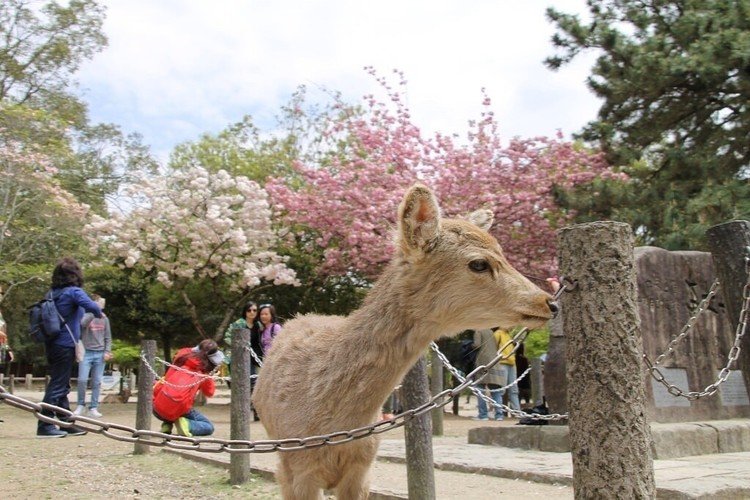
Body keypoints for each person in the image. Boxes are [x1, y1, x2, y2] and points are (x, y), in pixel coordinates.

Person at [37, 257, 102, 438]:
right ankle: (44, 424)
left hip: (51, 343)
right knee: (58, 384)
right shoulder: (74, 292)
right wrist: (97, 308)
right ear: (76, 275)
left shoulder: (51, 293)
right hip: (65, 343)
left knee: (62, 383)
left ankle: (65, 422)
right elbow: (94, 309)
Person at [153, 339, 224, 436]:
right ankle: (187, 425)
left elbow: (166, 380)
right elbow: (209, 392)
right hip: (178, 411)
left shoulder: (180, 359)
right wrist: (211, 378)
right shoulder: (203, 373)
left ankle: (167, 425)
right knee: (208, 427)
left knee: (170, 396)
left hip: (157, 409)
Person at [73, 294, 112, 418]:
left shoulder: (105, 319)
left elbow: (108, 337)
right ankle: (80, 405)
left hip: (100, 353)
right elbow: (82, 325)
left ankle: (93, 407)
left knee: (96, 382)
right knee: (82, 380)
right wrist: (92, 312)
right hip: (86, 352)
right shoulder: (86, 316)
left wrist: (107, 351)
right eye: (100, 304)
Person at [472, 328, 506, 421]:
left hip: (483, 362)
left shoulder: (478, 330)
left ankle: (483, 415)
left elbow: (477, 344)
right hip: (494, 362)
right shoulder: (491, 331)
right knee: (496, 390)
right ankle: (499, 415)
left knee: (480, 389)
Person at [496, 328, 521, 415]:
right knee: (501, 389)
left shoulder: (509, 335)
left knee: (514, 389)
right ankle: (499, 412)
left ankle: (517, 412)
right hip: (502, 362)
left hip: (512, 362)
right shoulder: (498, 334)